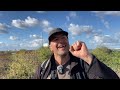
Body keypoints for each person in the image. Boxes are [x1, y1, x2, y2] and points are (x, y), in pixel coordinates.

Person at [34, 28, 119, 79]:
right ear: (50, 47)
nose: (61, 41)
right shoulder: (43, 68)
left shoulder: (83, 64)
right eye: (56, 39)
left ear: (68, 41)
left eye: (63, 38)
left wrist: (88, 57)